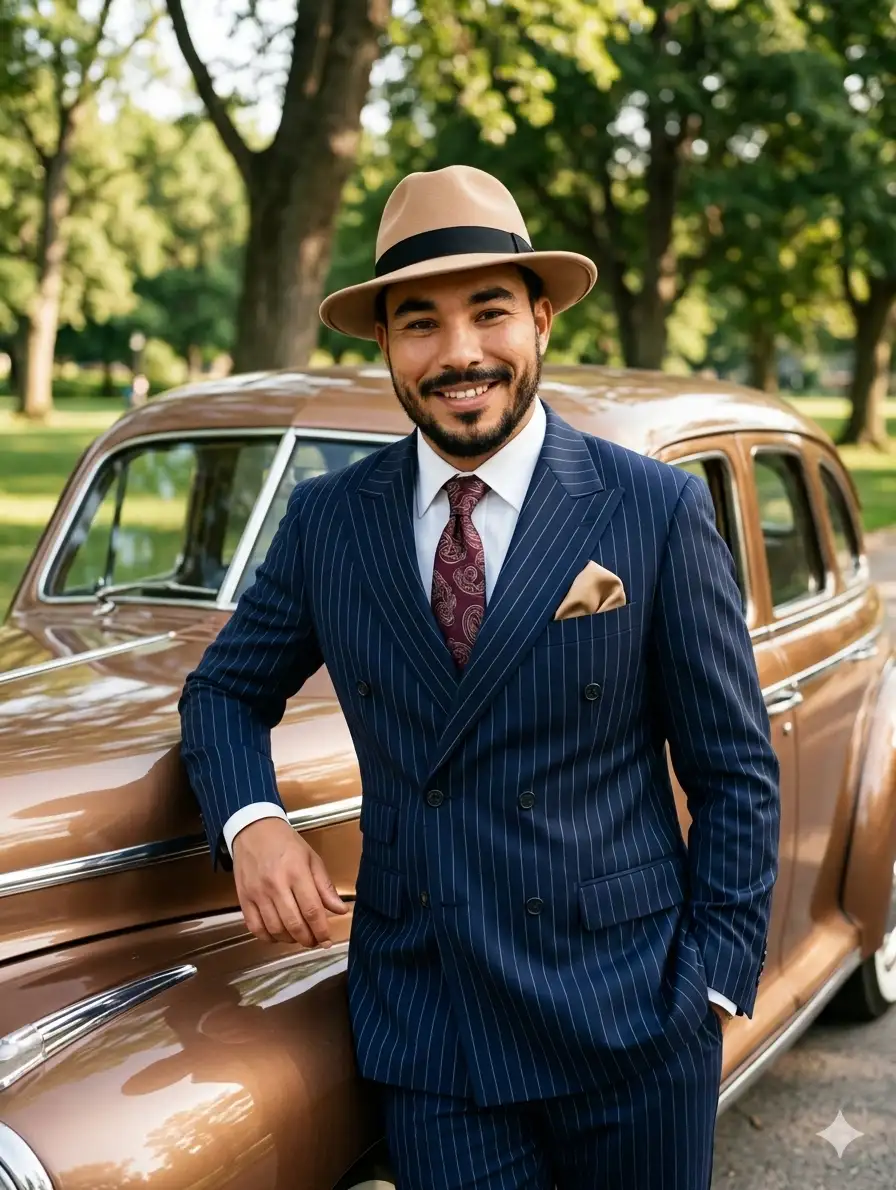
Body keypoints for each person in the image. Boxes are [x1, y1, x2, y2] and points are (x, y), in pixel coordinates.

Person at [179, 165, 781, 1188]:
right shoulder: (331, 521)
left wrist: (712, 982)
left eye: (489, 312)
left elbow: (733, 767)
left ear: (540, 320)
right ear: (385, 346)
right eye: (419, 323)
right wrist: (254, 821)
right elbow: (223, 690)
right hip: (432, 1030)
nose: (458, 353)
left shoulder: (652, 510)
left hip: (632, 1019)